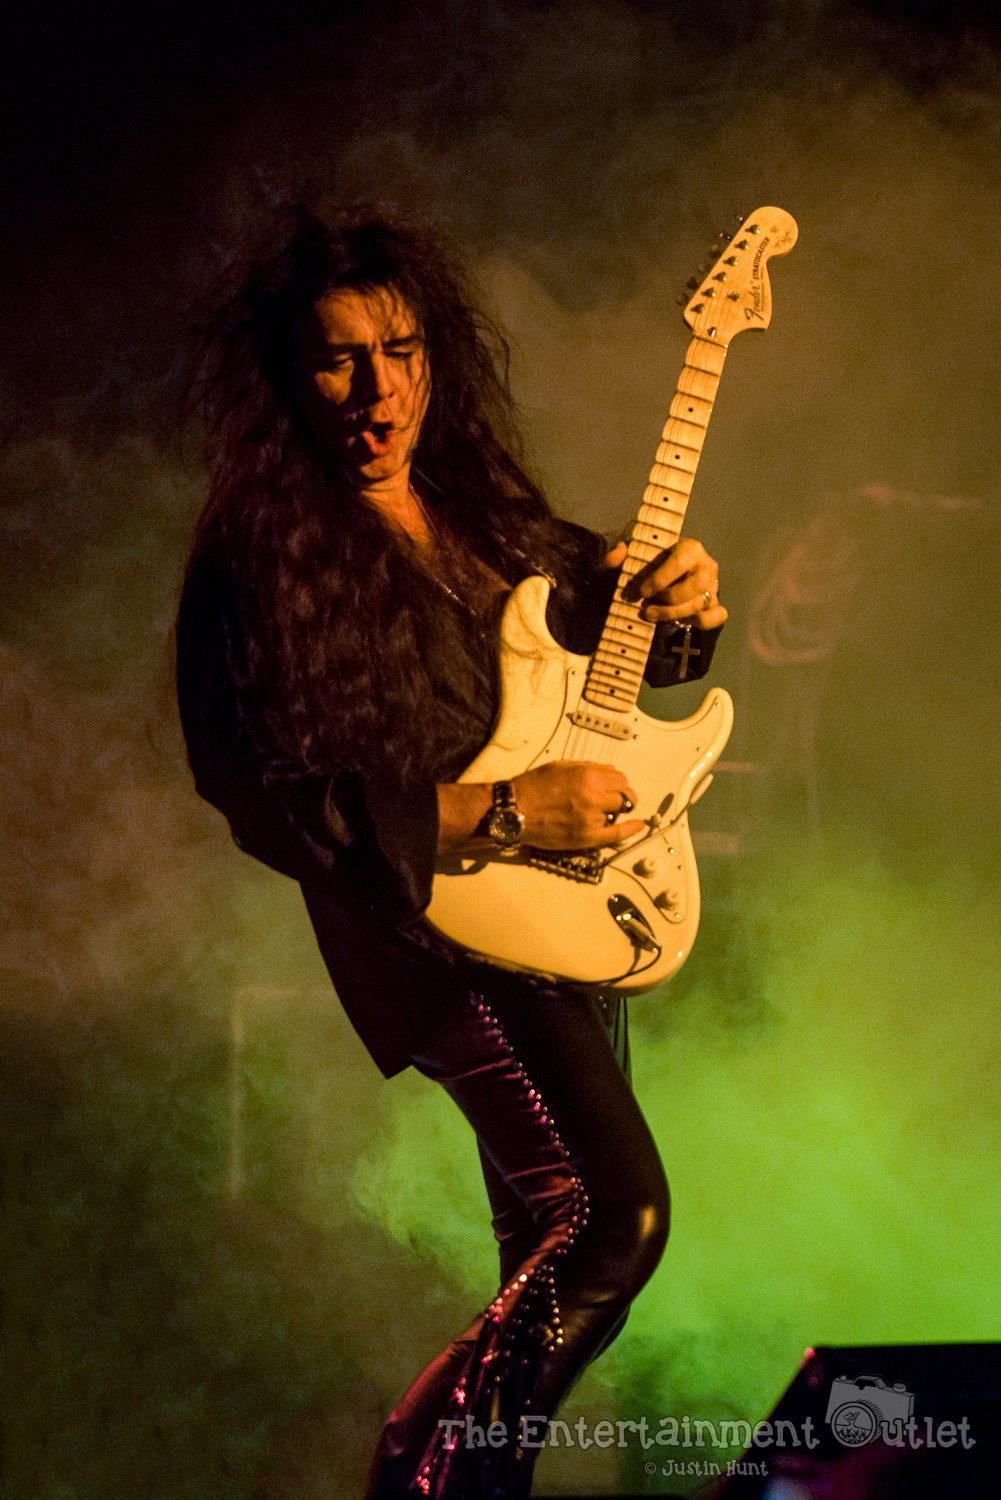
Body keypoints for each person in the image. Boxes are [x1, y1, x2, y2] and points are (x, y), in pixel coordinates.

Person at [176, 207, 727, 1498]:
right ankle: (416, 1474)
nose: (377, 392)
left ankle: (470, 1484)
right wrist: (508, 814)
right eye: (336, 361)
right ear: (285, 379)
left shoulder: (484, 515)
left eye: (401, 352)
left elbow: (611, 658)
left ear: (437, 357)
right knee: (614, 1218)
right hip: (437, 937)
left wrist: (683, 608)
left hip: (568, 924)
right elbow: (266, 799)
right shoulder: (257, 562)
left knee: (546, 1250)